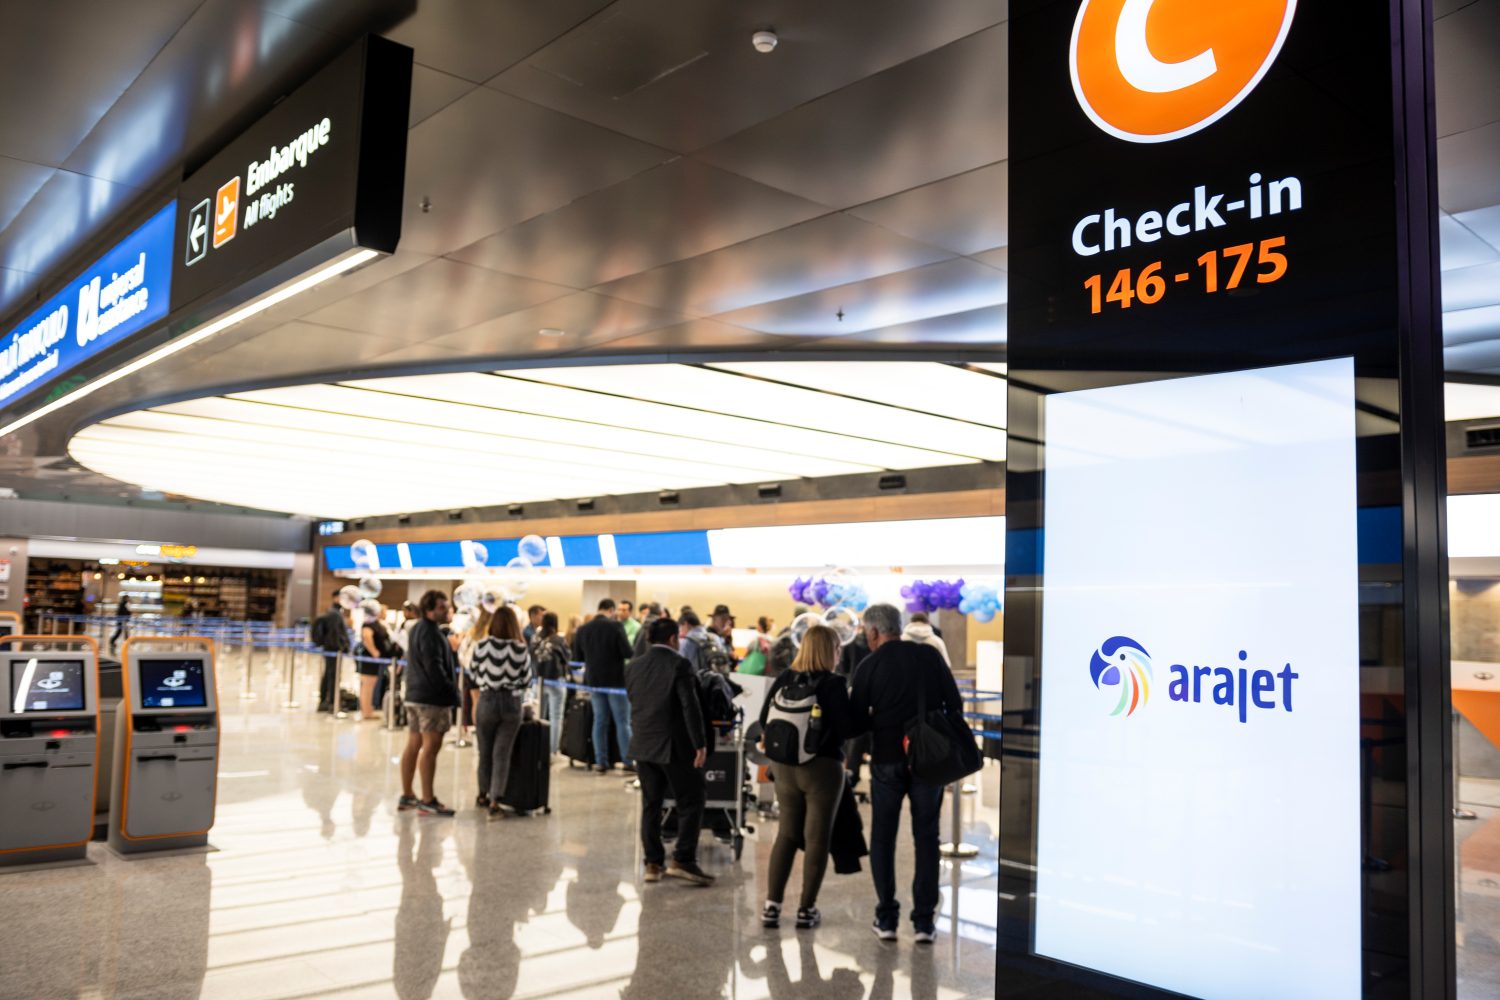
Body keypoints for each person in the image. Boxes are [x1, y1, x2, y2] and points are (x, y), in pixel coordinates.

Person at [849, 603, 964, 944]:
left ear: (873, 632)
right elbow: (954, 704)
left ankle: (886, 917)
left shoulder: (869, 664)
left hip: (886, 758)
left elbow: (855, 721)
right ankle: (924, 923)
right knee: (927, 837)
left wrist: (880, 721)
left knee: (883, 836)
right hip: (928, 761)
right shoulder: (929, 657)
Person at [757, 624, 855, 929]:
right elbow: (847, 728)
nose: (839, 654)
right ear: (830, 651)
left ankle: (772, 906)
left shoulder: (785, 677)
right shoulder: (833, 684)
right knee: (816, 839)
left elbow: (764, 719)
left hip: (784, 768)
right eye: (837, 648)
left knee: (786, 833)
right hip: (821, 769)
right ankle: (805, 909)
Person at [624, 616, 713, 886]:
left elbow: (634, 702)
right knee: (692, 798)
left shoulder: (634, 667)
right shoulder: (679, 664)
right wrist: (700, 743)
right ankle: (683, 859)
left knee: (651, 804)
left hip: (642, 744)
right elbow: (690, 707)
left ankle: (652, 863)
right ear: (674, 639)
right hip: (674, 745)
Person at [399, 590, 461, 816]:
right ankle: (427, 798)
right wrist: (452, 693)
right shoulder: (432, 634)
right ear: (429, 610)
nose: (447, 611)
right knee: (430, 748)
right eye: (442, 608)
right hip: (431, 699)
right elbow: (434, 667)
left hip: (414, 695)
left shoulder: (417, 629)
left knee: (414, 744)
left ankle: (408, 794)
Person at [471, 604, 532, 818]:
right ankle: (495, 801)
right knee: (502, 754)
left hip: (486, 700)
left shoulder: (481, 646)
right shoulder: (520, 648)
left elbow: (473, 672)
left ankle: (482, 794)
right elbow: (526, 679)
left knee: (484, 751)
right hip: (511, 703)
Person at [572, 598, 634, 773]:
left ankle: (601, 761)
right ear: (611, 610)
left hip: (593, 682)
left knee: (600, 721)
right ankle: (628, 761)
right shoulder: (615, 627)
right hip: (615, 682)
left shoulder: (583, 629)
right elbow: (627, 652)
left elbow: (577, 657)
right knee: (622, 721)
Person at [531, 611, 571, 755]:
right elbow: (567, 658)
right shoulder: (558, 639)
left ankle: (536, 746)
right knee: (556, 717)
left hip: (538, 681)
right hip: (556, 681)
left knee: (538, 716)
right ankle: (552, 750)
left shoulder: (535, 638)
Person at [358, 603, 396, 720]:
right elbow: (367, 637)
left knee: (370, 685)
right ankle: (366, 712)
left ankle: (368, 709)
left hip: (375, 660)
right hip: (369, 659)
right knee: (367, 685)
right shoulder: (370, 623)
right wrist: (374, 652)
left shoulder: (377, 624)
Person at [310, 592, 347, 713]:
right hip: (333, 649)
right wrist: (341, 646)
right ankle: (331, 702)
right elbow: (336, 633)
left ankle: (326, 701)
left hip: (331, 648)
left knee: (329, 674)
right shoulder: (334, 614)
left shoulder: (334, 613)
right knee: (332, 675)